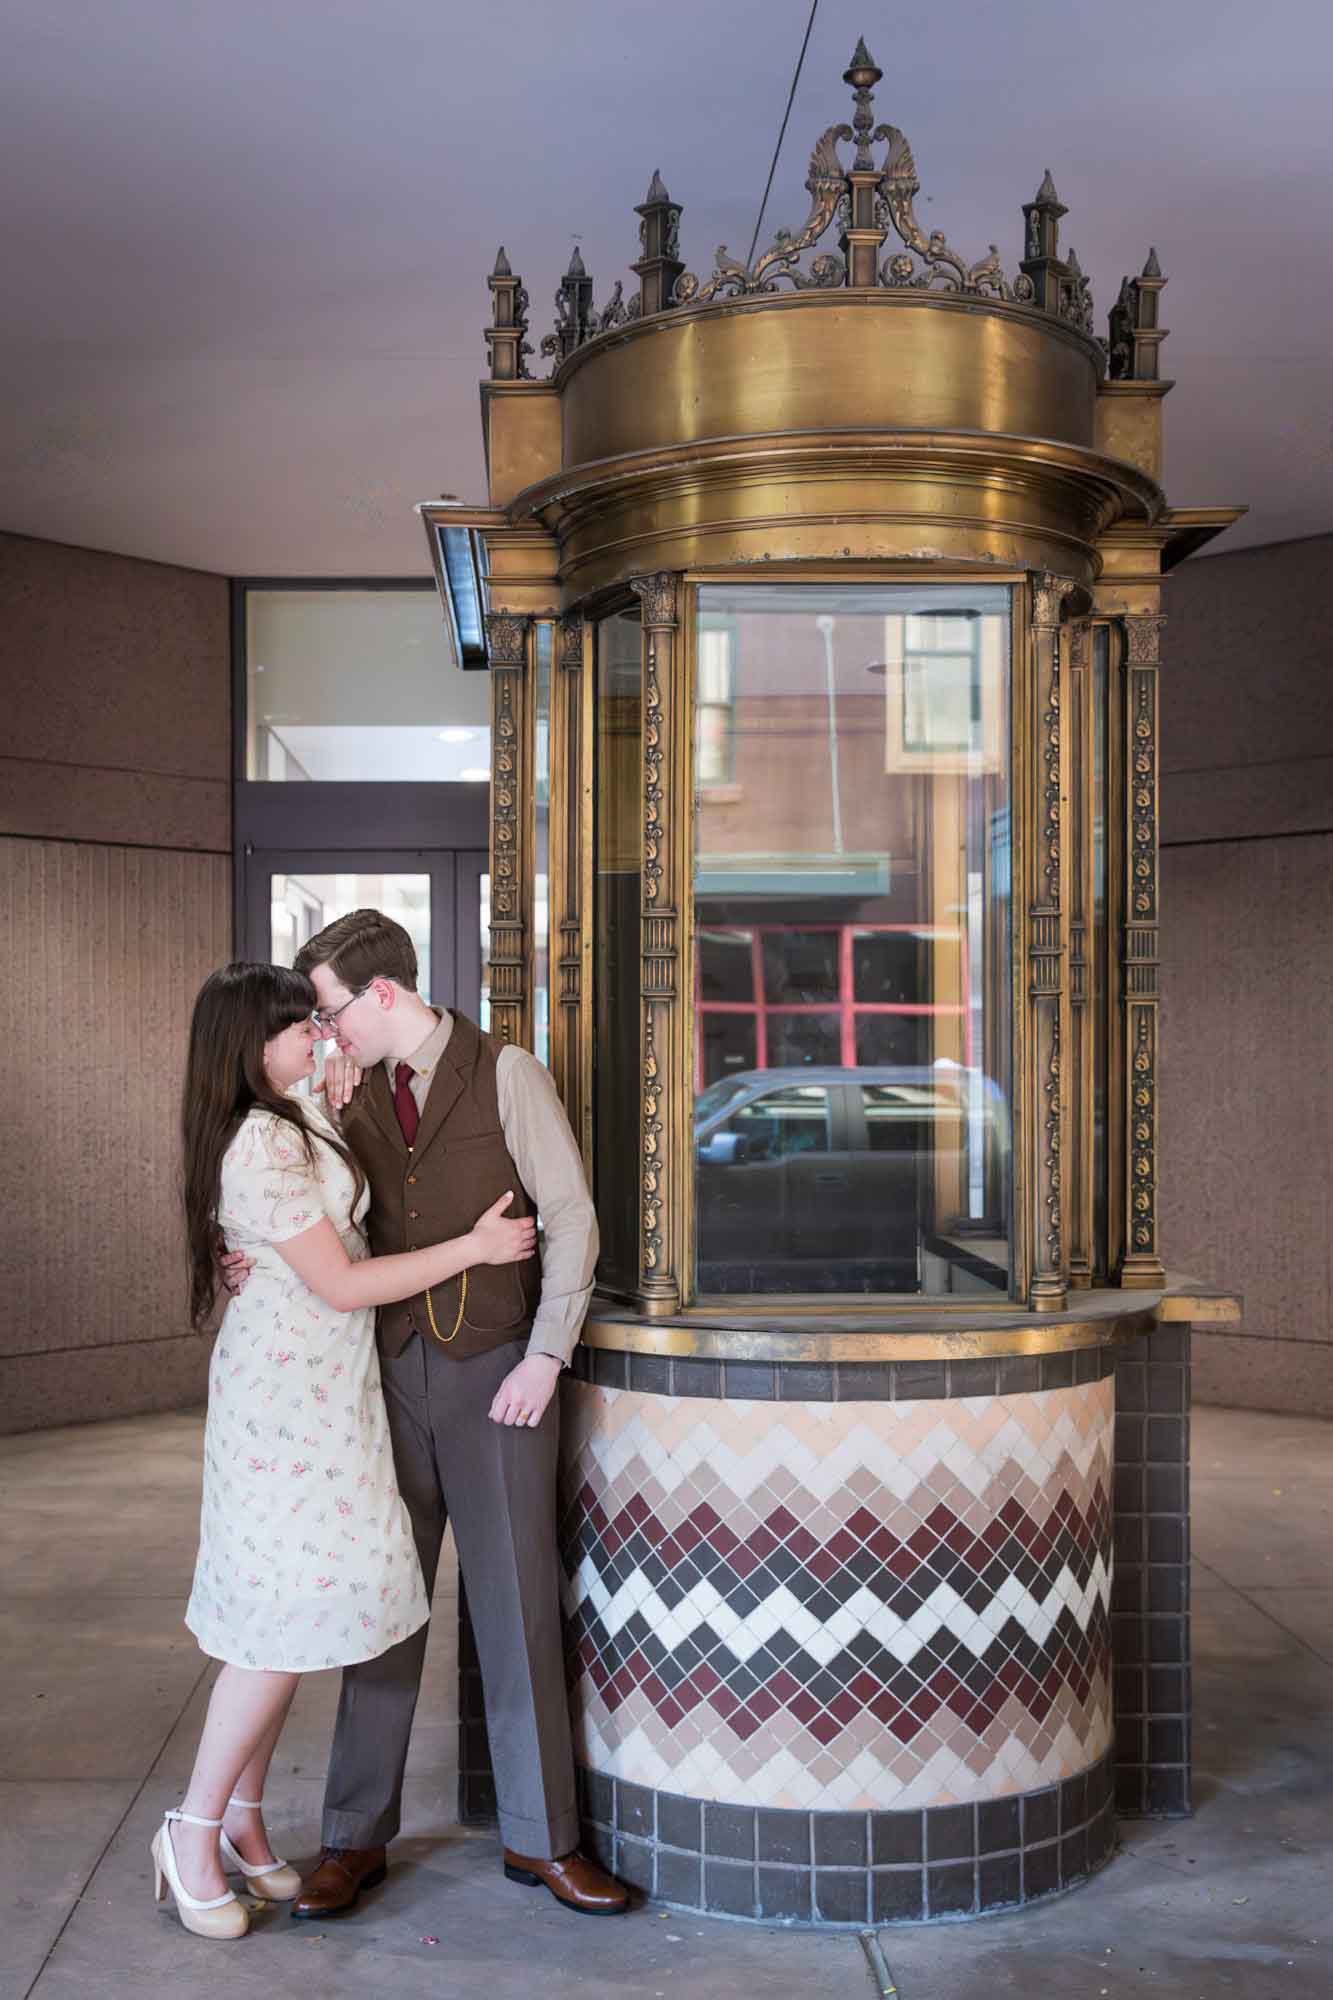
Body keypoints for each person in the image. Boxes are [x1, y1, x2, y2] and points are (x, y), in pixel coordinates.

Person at [224, 909, 627, 1920]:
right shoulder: (335, 1091)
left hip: (496, 1372)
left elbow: (571, 1215)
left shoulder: (507, 1073)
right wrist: (246, 1262)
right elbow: (293, 1205)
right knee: (379, 1612)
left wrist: (546, 1353)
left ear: (384, 994)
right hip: (380, 1380)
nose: (324, 1031)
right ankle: (352, 1838)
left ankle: (544, 1841)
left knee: (517, 1602)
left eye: (330, 1010)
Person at [158, 962, 535, 1941]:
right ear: (249, 1043)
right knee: (273, 1627)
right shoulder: (261, 1140)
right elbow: (341, 1282)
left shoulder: (296, 1112)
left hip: (326, 1394)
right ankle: (191, 1828)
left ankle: (242, 1822)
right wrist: (472, 1249)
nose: (311, 1037)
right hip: (286, 1399)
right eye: (293, 1027)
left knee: (287, 1617)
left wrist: (330, 1089)